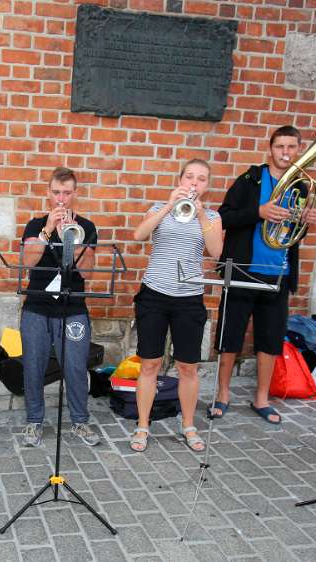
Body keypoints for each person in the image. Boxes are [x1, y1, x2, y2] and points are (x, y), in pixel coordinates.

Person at [210, 125, 316, 425]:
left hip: (278, 273)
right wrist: (258, 212)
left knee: (270, 340)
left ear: (298, 150)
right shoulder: (250, 179)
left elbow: (293, 232)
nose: (285, 153)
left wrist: (305, 220)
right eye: (280, 146)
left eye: (291, 147)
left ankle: (261, 398)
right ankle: (222, 394)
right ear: (270, 149)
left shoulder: (300, 187)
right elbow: (224, 216)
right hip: (244, 270)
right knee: (230, 335)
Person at [129, 159, 223, 452]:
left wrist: (199, 215)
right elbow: (139, 235)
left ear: (207, 186)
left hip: (189, 298)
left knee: (187, 367)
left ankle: (189, 424)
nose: (195, 183)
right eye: (190, 177)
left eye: (202, 179)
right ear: (180, 179)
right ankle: (143, 426)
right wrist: (170, 206)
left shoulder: (212, 216)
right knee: (149, 365)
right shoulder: (160, 209)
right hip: (154, 294)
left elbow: (216, 251)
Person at [19, 167, 100, 447]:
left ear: (75, 194)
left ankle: (80, 421)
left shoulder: (87, 227)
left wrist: (72, 239)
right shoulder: (34, 225)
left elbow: (88, 272)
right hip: (37, 307)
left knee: (76, 366)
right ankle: (34, 421)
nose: (61, 199)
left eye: (67, 193)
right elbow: (27, 262)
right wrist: (48, 230)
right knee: (33, 366)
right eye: (56, 193)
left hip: (73, 307)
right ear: (48, 193)